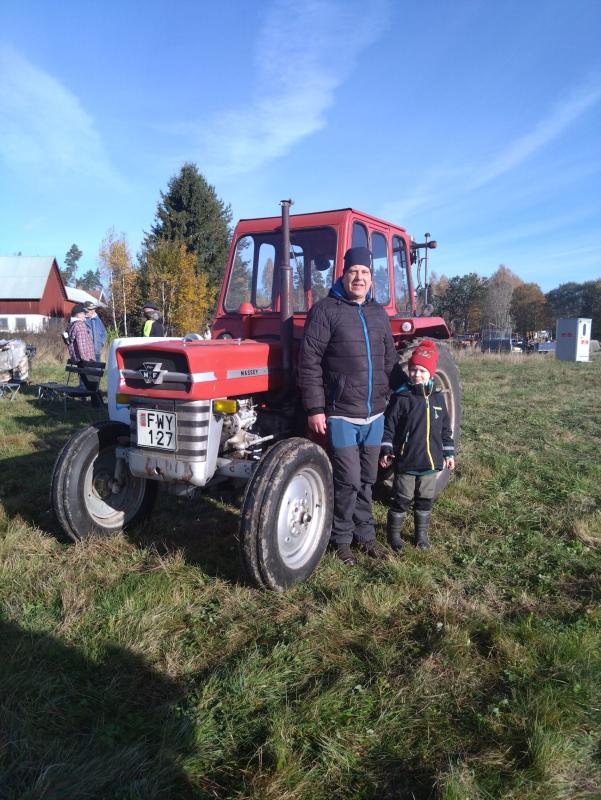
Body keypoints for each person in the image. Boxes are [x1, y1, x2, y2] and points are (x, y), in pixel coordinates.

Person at [298, 246, 397, 566]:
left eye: (365, 272)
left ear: (371, 278)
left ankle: (365, 535)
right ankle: (341, 540)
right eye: (354, 271)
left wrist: (400, 395)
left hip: (375, 414)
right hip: (341, 413)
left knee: (368, 479)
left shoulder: (379, 313)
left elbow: (389, 360)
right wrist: (315, 408)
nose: (359, 277)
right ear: (343, 274)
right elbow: (309, 361)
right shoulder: (326, 310)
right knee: (348, 480)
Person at [379, 340, 455, 551]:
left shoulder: (438, 399)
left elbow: (445, 430)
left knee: (425, 500)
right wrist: (387, 449)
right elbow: (389, 427)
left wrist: (448, 453)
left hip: (431, 462)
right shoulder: (402, 398)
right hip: (407, 460)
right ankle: (394, 535)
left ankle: (421, 536)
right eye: (413, 370)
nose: (416, 374)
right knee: (401, 499)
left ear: (431, 374)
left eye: (421, 370)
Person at [67, 304, 103, 406]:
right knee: (93, 384)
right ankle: (98, 406)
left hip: (78, 359)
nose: (85, 315)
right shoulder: (80, 325)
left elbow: (68, 342)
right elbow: (81, 344)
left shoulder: (71, 325)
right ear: (78, 314)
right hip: (86, 359)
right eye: (83, 313)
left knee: (90, 384)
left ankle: (96, 405)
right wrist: (87, 360)